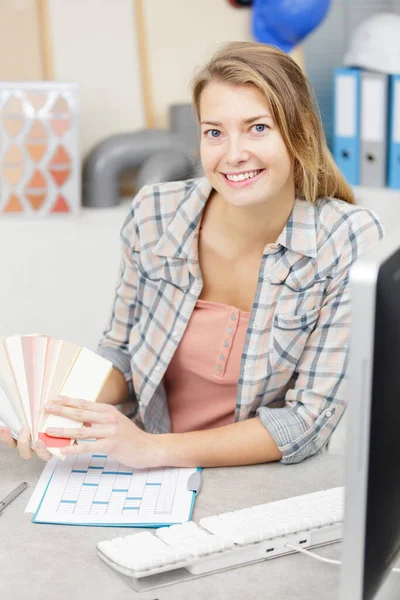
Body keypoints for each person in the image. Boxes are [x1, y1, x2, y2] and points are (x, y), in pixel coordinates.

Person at [0, 41, 383, 468]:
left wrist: (154, 451)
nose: (233, 154)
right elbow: (123, 354)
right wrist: (59, 406)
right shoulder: (155, 213)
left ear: (303, 132)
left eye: (258, 127)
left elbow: (307, 419)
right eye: (214, 132)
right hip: (142, 469)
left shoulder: (346, 239)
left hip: (256, 480)